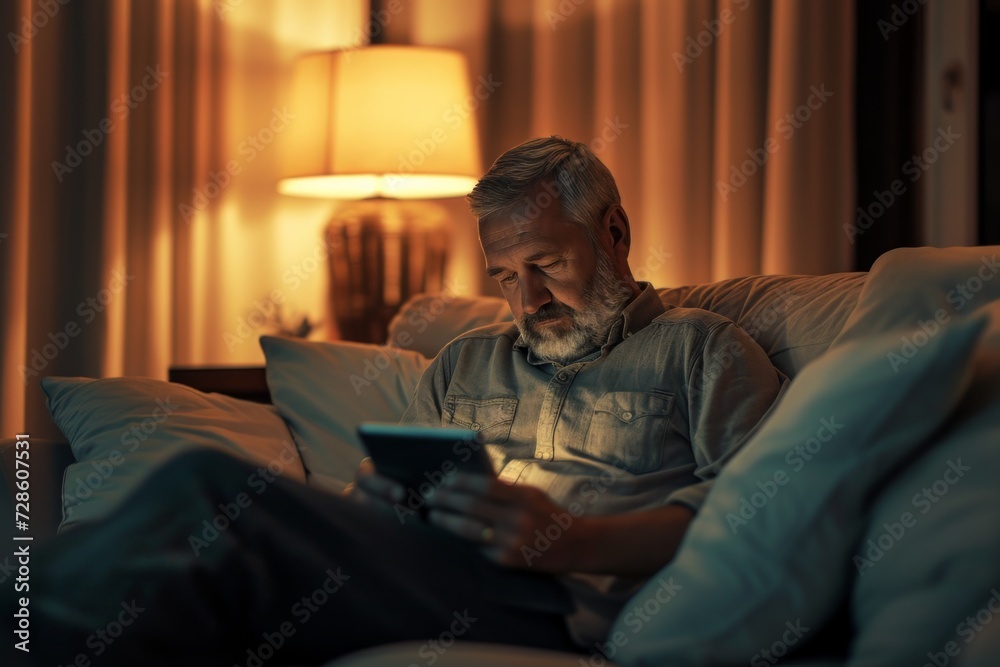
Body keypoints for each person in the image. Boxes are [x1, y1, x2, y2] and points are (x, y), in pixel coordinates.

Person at [11, 137, 785, 666]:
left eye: (546, 263)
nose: (528, 298)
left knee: (211, 490)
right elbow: (369, 503)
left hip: (557, 602)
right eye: (506, 277)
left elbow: (756, 511)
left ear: (614, 230)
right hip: (430, 568)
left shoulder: (702, 349)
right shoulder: (464, 362)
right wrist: (377, 497)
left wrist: (573, 538)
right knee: (196, 530)